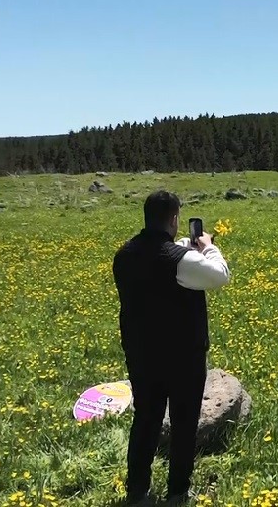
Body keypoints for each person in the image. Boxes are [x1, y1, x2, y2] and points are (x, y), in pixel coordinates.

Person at [113, 190, 231, 505]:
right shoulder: (179, 261)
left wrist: (185, 248)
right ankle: (178, 491)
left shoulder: (124, 254)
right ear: (175, 218)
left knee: (145, 420)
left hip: (141, 354)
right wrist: (209, 247)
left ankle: (137, 490)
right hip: (183, 357)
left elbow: (161, 259)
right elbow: (220, 275)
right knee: (183, 423)